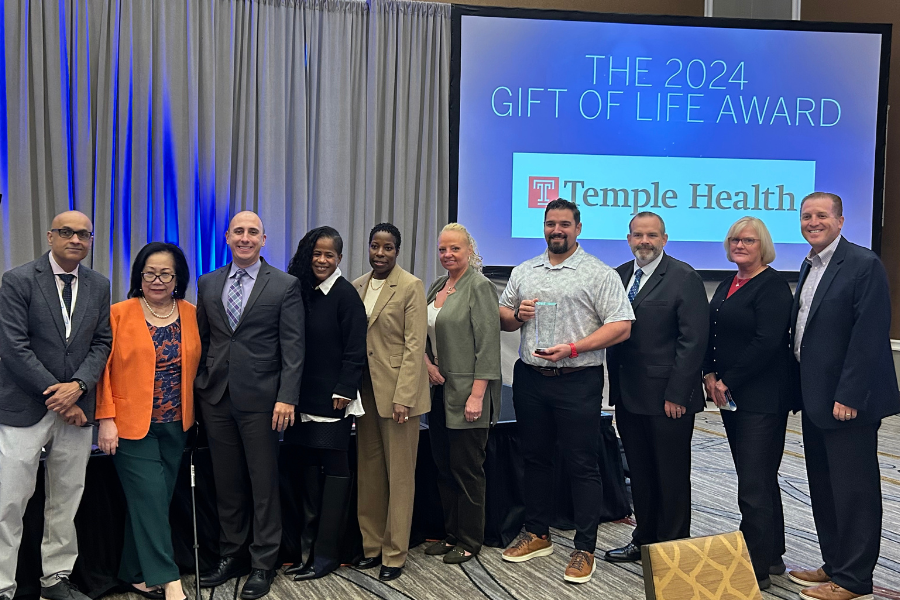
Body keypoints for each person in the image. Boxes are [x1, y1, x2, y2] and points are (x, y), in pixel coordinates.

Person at [498, 198, 633, 584]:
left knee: (581, 464)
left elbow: (621, 326)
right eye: (550, 224)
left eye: (564, 224)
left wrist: (574, 348)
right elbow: (503, 317)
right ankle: (537, 533)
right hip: (530, 378)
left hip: (578, 379)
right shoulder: (525, 270)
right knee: (535, 458)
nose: (556, 230)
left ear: (578, 228)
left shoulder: (598, 273)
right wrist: (516, 315)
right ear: (544, 227)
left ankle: (584, 547)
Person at [786, 193, 900, 600]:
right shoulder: (809, 264)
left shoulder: (862, 264)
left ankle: (854, 579)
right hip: (817, 398)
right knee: (824, 486)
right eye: (806, 216)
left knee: (855, 492)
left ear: (840, 220)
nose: (813, 222)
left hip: (848, 402)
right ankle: (834, 563)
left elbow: (869, 336)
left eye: (822, 215)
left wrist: (849, 395)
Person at [0, 211, 112, 600]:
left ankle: (56, 578)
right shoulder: (17, 280)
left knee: (66, 498)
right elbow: (13, 346)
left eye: (84, 234)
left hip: (76, 407)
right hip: (23, 409)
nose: (75, 239)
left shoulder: (99, 284)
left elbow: (102, 342)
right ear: (50, 236)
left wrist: (78, 386)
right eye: (67, 232)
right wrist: (59, 395)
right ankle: (3, 586)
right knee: (9, 502)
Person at [195, 211, 305, 599]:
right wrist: (201, 385)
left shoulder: (285, 285)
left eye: (252, 232)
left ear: (263, 239)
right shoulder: (208, 283)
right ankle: (232, 555)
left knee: (263, 484)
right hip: (217, 398)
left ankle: (263, 562)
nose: (245, 238)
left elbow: (294, 347)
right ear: (227, 237)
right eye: (238, 231)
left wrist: (287, 396)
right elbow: (204, 340)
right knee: (227, 483)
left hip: (263, 401)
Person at [95, 242, 200, 600]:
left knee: (152, 503)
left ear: (178, 278)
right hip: (130, 427)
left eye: (165, 274)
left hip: (176, 425)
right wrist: (105, 418)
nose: (157, 280)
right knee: (152, 500)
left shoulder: (191, 314)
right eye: (150, 273)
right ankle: (169, 579)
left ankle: (134, 573)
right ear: (139, 276)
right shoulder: (118, 313)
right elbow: (103, 370)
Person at [604, 212, 708, 563]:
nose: (644, 241)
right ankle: (644, 539)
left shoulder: (684, 277)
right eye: (638, 235)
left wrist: (678, 394)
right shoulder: (618, 276)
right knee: (641, 473)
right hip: (629, 396)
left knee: (671, 476)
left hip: (668, 399)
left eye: (651, 235)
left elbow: (693, 342)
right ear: (629, 239)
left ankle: (673, 550)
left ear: (664, 239)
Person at [702, 216, 793, 590]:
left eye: (749, 240)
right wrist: (708, 373)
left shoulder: (773, 286)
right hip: (731, 397)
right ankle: (771, 554)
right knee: (758, 478)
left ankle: (755, 568)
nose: (740, 245)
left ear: (763, 245)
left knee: (754, 484)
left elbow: (766, 343)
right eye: (735, 240)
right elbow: (713, 333)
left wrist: (727, 381)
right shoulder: (729, 282)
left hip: (762, 399)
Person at [283, 226, 366, 581]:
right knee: (306, 475)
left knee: (334, 472)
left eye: (329, 255)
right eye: (316, 253)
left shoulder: (346, 295)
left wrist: (345, 389)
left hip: (332, 400)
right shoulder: (301, 291)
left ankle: (326, 556)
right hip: (299, 399)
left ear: (340, 258)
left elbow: (355, 349)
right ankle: (305, 553)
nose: (321, 260)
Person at [351, 223, 430, 582]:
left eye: (388, 247)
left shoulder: (411, 286)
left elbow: (415, 345)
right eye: (375, 246)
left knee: (399, 477)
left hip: (398, 395)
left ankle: (394, 554)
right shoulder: (357, 285)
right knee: (369, 473)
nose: (380, 253)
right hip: (365, 394)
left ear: (397, 251)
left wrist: (404, 397)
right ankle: (372, 547)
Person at [423, 223, 501, 565]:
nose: (448, 254)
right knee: (444, 467)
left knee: (467, 470)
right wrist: (427, 364)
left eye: (455, 248)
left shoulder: (480, 287)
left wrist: (477, 396)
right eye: (443, 249)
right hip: (438, 391)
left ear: (469, 249)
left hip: (469, 394)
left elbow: (488, 346)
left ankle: (470, 540)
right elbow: (421, 334)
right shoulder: (437, 286)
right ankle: (451, 534)